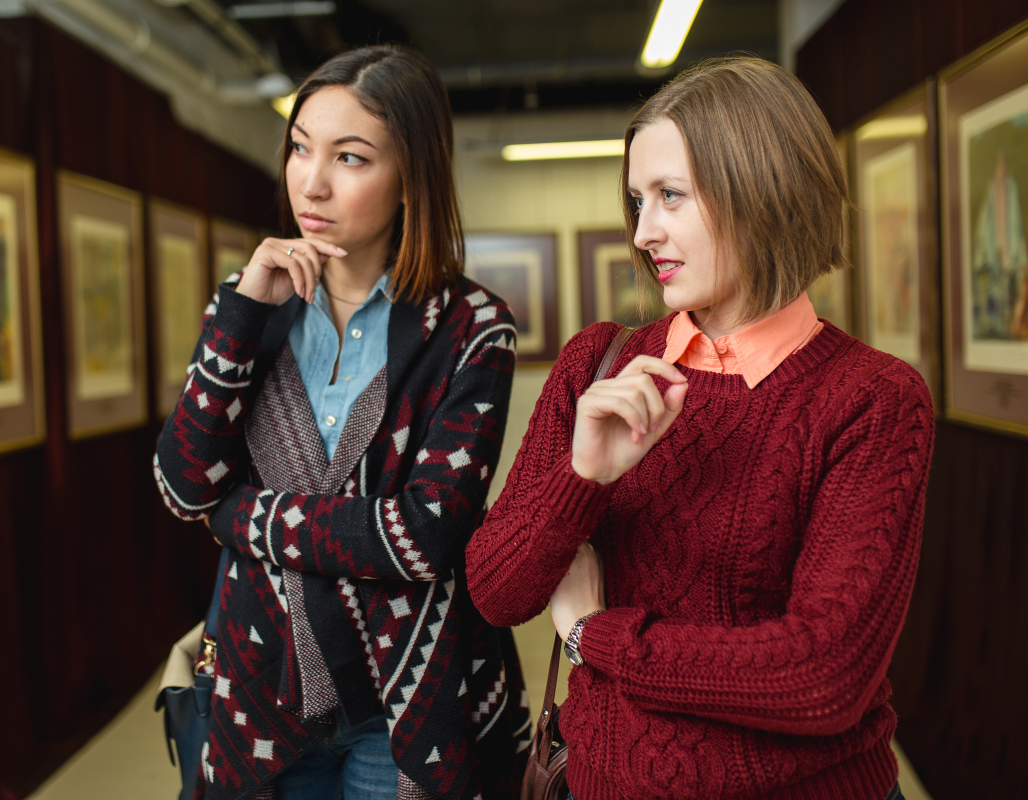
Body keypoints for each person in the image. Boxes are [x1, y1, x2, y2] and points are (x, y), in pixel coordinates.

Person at [466, 57, 934, 800]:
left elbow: (822, 677)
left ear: (764, 189)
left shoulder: (872, 398)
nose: (642, 231)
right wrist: (582, 478)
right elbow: (496, 591)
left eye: (671, 196)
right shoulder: (599, 362)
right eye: (637, 201)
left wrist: (595, 634)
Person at [154, 45, 529, 800]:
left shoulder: (472, 327)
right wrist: (241, 315)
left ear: (412, 177)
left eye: (350, 157)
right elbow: (185, 487)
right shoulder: (248, 303)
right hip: (260, 683)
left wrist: (242, 517)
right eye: (300, 148)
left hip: (405, 698)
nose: (311, 182)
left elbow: (423, 536)